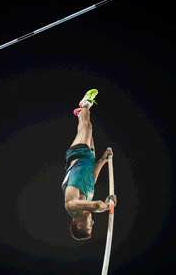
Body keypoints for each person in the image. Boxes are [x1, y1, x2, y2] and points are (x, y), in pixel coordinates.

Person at [61, 89, 117, 240]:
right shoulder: (86, 200)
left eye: (89, 226)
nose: (92, 222)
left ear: (79, 225)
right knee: (85, 128)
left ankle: (85, 104)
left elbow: (97, 206)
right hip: (89, 161)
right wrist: (103, 160)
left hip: (77, 156)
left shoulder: (71, 205)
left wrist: (107, 206)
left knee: (87, 127)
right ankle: (80, 113)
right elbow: (91, 180)